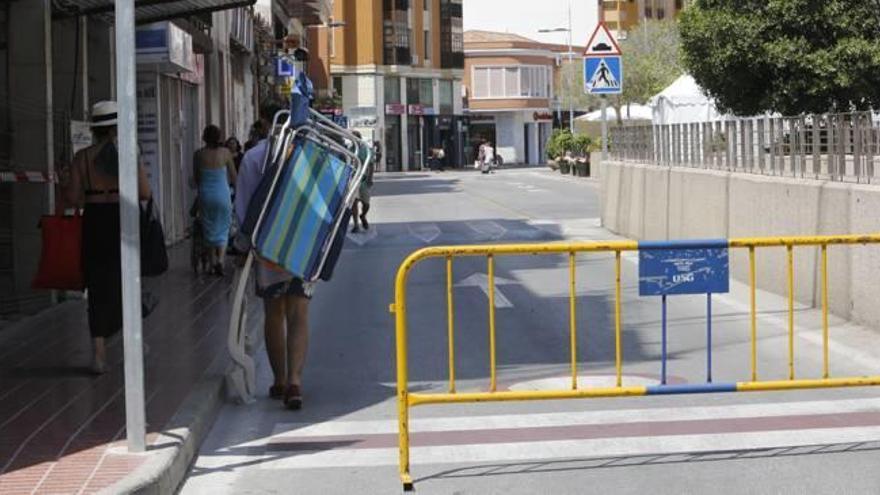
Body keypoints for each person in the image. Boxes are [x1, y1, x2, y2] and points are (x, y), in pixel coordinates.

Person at [65, 101, 151, 374]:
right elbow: (145, 193)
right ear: (116, 128)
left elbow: (73, 198)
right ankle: (132, 341)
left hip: (95, 221)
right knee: (124, 279)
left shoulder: (82, 158)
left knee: (97, 284)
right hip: (122, 218)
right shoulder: (127, 155)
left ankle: (98, 354)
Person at [234, 112, 313, 410]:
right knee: (299, 312)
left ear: (269, 126)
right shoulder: (307, 156)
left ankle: (279, 380)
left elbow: (242, 208)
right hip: (301, 245)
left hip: (267, 247)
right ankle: (295, 381)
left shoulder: (254, 157)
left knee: (273, 313)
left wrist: (243, 249)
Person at [194, 125, 237, 276]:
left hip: (206, 195)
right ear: (219, 137)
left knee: (208, 228)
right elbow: (234, 176)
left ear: (204, 137)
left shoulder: (198, 155)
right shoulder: (225, 153)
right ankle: (221, 261)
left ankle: (212, 262)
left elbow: (197, 179)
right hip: (222, 195)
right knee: (224, 228)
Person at [350, 130, 374, 233]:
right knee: (354, 203)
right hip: (353, 179)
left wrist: (369, 178)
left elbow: (371, 164)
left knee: (366, 203)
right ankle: (356, 224)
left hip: (364, 179)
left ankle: (363, 215)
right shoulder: (350, 149)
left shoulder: (366, 149)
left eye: (355, 137)